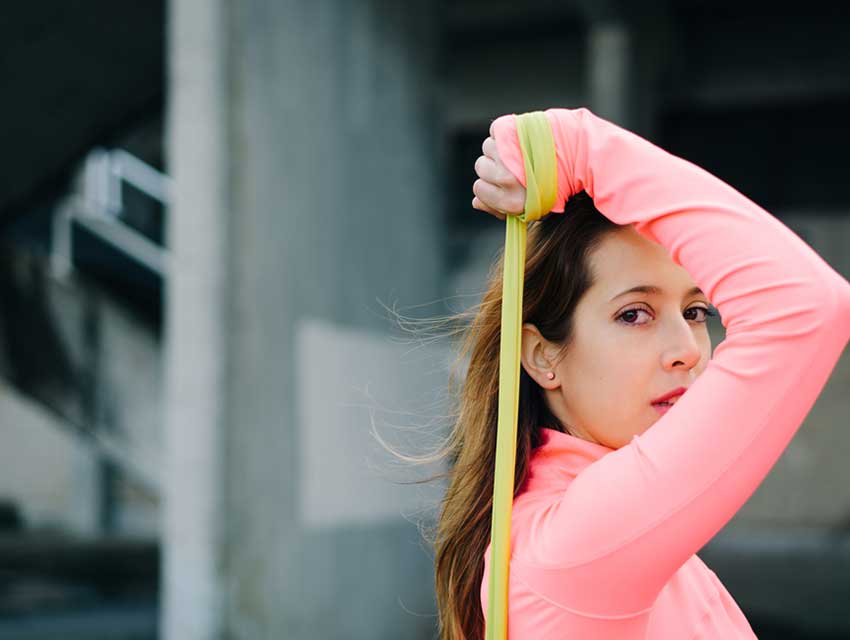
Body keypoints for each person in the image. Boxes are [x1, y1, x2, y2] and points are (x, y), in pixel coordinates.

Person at [431, 106, 850, 639]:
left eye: (696, 313)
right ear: (541, 356)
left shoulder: (584, 529)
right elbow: (807, 305)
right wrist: (579, 148)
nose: (688, 351)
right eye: (634, 314)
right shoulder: (583, 544)